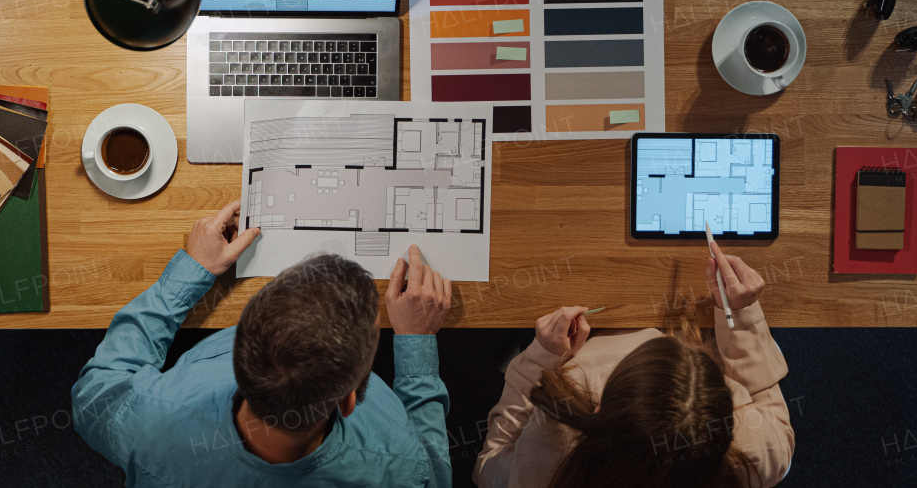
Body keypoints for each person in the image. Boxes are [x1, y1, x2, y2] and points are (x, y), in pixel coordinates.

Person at [72, 200, 455, 487]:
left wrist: (189, 274)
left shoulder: (149, 422)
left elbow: (92, 396)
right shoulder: (401, 465)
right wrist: (415, 342)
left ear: (234, 352)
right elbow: (433, 475)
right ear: (350, 399)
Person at [473, 240, 794, 488]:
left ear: (599, 414)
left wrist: (540, 357)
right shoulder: (755, 456)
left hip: (570, 341)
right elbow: (777, 423)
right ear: (728, 424)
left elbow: (488, 467)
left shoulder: (547, 462)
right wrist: (739, 314)